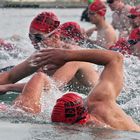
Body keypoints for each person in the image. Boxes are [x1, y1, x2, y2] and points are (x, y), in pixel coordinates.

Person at [5, 48, 140, 132]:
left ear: (82, 123)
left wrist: (66, 55)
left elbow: (116, 58)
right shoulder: (97, 100)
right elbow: (115, 59)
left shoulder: (102, 108)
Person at [0, 13, 99, 95]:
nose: (33, 42)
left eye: (38, 38)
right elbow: (10, 76)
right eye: (31, 37)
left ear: (55, 37)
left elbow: (52, 87)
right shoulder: (41, 55)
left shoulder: (74, 55)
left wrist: (8, 87)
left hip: (96, 101)